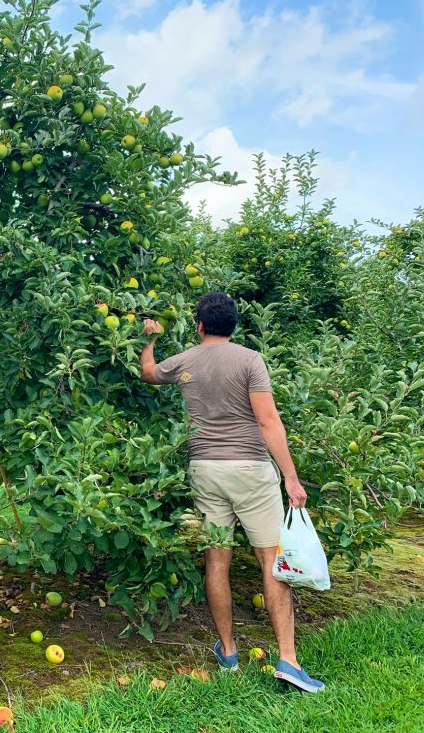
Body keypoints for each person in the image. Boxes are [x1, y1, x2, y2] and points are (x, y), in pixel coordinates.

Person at [138, 292, 325, 693]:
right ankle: (288, 661)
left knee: (216, 562)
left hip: (205, 470)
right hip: (251, 471)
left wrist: (147, 338)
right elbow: (268, 419)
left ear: (200, 325)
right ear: (233, 325)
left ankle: (228, 653)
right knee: (272, 562)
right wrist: (290, 477)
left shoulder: (185, 360)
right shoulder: (249, 360)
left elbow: (149, 373)